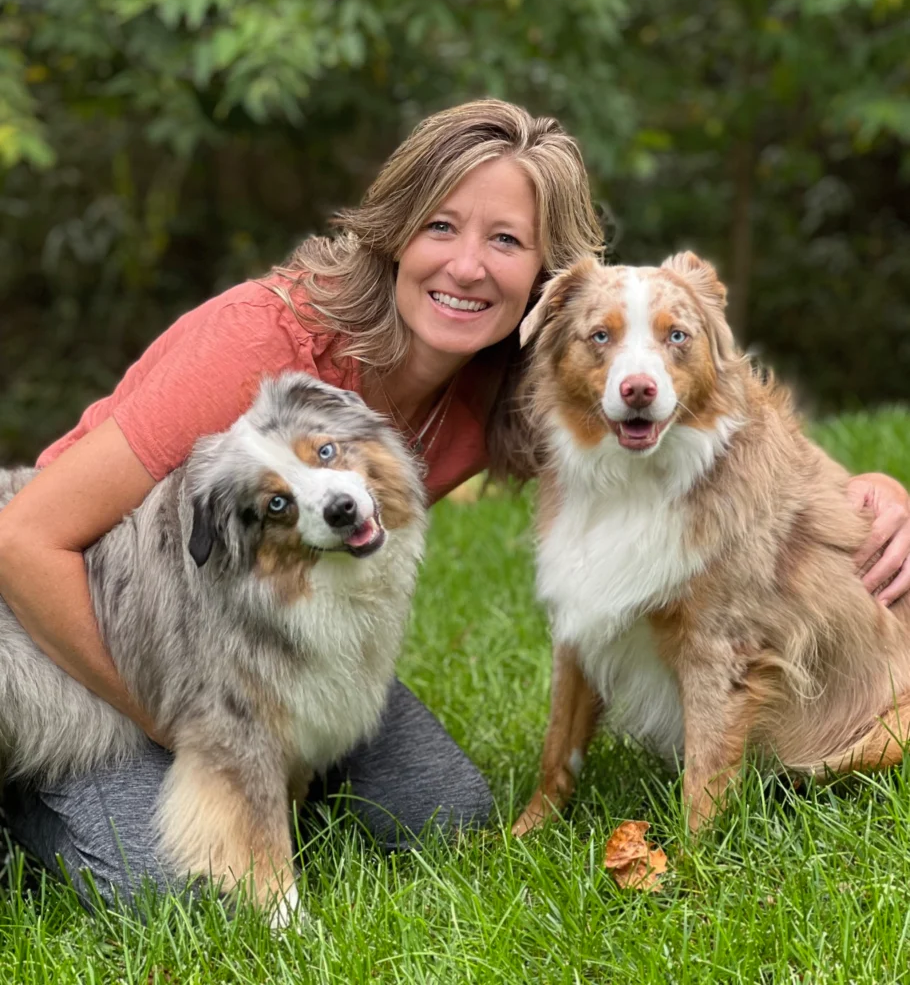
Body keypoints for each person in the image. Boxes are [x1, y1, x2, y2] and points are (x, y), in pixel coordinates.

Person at [0, 99, 907, 908]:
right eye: (442, 226)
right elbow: (25, 538)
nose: (468, 267)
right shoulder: (264, 342)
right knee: (177, 894)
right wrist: (184, 728)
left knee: (448, 815)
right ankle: (28, 798)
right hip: (83, 623)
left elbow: (713, 401)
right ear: (395, 231)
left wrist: (863, 488)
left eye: (506, 242)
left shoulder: (510, 379)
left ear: (542, 278)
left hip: (273, 639)